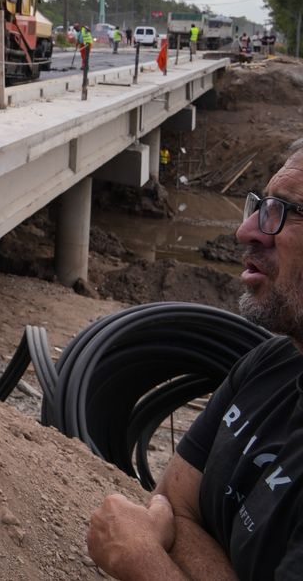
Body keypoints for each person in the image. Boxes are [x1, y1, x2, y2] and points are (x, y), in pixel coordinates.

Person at [87, 141, 303, 579]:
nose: (247, 231)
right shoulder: (271, 362)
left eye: (283, 211)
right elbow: (173, 505)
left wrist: (144, 561)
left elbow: (163, 529)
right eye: (260, 206)